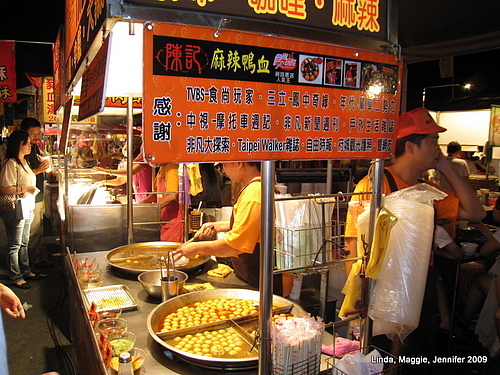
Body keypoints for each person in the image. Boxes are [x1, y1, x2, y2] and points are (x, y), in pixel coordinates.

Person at [343, 108, 485, 371]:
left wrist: (445, 166)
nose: (437, 150)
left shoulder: (425, 192)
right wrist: (358, 302)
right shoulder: (374, 185)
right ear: (410, 146)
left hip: (421, 282)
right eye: (433, 143)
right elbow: (354, 243)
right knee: (384, 357)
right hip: (382, 284)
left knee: (417, 355)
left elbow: (475, 212)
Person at [173, 162, 292, 296]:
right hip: (254, 276)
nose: (223, 171)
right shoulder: (255, 187)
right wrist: (216, 226)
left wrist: (196, 248)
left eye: (224, 165)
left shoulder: (253, 193)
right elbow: (252, 225)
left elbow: (235, 245)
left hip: (265, 280)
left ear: (239, 164)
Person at [0, 131, 45, 289]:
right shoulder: (10, 163)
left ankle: (26, 270)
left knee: (24, 241)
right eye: (26, 143)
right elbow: (4, 188)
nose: (30, 145)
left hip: (27, 205)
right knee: (15, 244)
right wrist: (25, 188)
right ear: (18, 144)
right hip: (15, 208)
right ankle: (16, 276)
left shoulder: (24, 161)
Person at [19, 118, 51, 269]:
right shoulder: (21, 151)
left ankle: (36, 257)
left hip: (37, 194)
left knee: (37, 229)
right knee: (33, 230)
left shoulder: (34, 148)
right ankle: (33, 262)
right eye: (33, 133)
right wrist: (39, 170)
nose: (36, 136)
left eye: (38, 133)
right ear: (24, 133)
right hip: (29, 196)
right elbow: (20, 175)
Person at [93, 138, 152, 203]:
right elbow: (121, 180)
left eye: (126, 145)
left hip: (148, 199)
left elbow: (128, 172)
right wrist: (104, 182)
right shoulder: (134, 162)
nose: (124, 148)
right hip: (140, 199)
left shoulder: (142, 161)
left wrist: (105, 171)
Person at [141, 163, 184, 242]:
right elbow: (155, 194)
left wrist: (151, 209)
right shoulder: (161, 169)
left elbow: (172, 196)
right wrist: (140, 205)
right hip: (163, 220)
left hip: (173, 222)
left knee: (171, 252)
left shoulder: (172, 168)